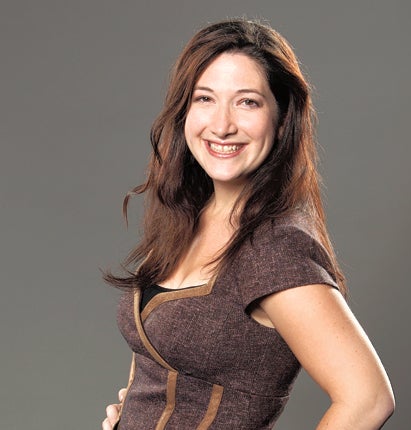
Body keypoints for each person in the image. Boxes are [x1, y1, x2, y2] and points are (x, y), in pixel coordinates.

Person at [102, 18, 395, 430]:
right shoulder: (189, 217)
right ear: (184, 111)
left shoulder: (275, 249)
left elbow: (368, 399)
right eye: (205, 98)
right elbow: (167, 358)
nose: (222, 125)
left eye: (247, 102)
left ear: (282, 118)